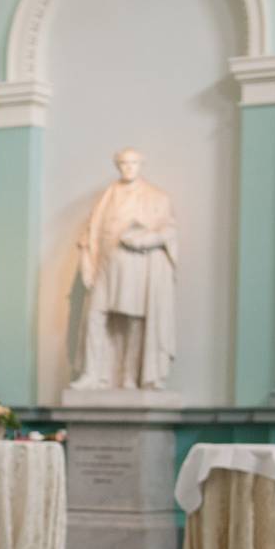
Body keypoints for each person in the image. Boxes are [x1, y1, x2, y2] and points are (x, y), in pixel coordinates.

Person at [70, 148, 177, 391]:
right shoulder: (108, 195)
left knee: (134, 320)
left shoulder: (155, 197)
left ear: (141, 165)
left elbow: (168, 230)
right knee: (95, 316)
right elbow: (92, 232)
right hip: (106, 264)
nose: (127, 168)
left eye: (132, 163)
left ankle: (131, 377)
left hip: (135, 266)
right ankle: (92, 373)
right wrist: (87, 263)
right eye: (123, 164)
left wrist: (144, 239)